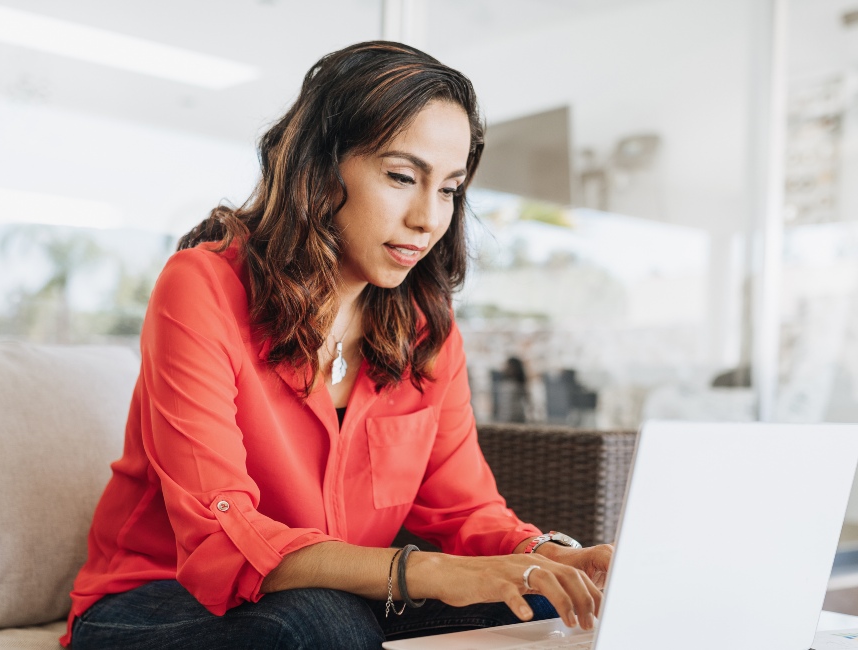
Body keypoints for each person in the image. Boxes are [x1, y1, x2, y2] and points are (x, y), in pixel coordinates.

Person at [63, 41, 612, 650]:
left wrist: (555, 558)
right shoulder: (202, 286)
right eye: (402, 177)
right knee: (320, 622)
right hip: (160, 599)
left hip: (345, 596)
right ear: (320, 170)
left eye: (449, 188)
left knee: (535, 601)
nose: (428, 218)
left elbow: (464, 512)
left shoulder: (427, 329)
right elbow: (223, 534)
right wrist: (424, 571)